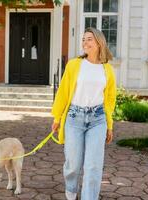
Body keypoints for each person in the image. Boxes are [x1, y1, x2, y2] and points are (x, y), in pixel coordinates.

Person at [51, 27, 117, 200]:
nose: (85, 42)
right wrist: (57, 117)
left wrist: (109, 126)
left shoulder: (107, 69)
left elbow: (110, 99)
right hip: (74, 118)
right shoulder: (74, 65)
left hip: (98, 119)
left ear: (99, 42)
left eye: (89, 39)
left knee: (93, 165)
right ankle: (71, 189)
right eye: (83, 39)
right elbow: (64, 91)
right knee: (72, 164)